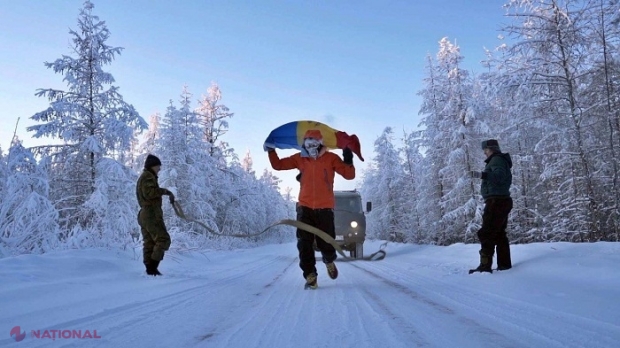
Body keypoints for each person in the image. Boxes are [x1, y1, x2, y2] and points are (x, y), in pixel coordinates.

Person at [267, 129, 355, 289]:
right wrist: (271, 150)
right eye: (308, 141)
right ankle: (310, 275)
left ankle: (329, 260)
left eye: (315, 141)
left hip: (325, 208)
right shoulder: (300, 158)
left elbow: (349, 175)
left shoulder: (331, 158)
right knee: (304, 244)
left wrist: (348, 158)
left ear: (321, 142)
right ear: (304, 143)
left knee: (326, 243)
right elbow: (278, 165)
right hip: (305, 208)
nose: (311, 144)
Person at [469, 139, 513, 274]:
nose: (484, 154)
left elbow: (499, 177)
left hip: (497, 201)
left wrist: (482, 175)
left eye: (485, 151)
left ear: (491, 149)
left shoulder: (497, 160)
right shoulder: (498, 160)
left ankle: (485, 266)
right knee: (499, 234)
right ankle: (504, 265)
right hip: (501, 200)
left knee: (486, 233)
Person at [136, 154, 175, 276]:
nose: (159, 169)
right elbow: (149, 193)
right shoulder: (148, 176)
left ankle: (149, 270)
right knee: (163, 239)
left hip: (144, 214)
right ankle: (152, 268)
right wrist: (165, 191)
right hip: (151, 214)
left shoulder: (145, 176)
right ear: (152, 166)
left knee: (149, 242)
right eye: (158, 166)